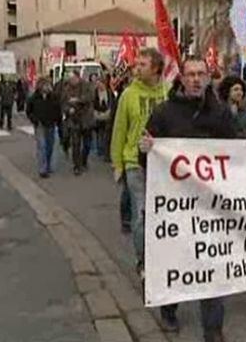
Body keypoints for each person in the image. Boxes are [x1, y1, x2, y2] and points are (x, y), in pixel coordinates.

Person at [139, 56, 237, 342]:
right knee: (177, 263)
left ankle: (214, 331)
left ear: (208, 78)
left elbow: (239, 156)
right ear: (181, 78)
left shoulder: (220, 115)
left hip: (211, 209)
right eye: (190, 74)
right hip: (176, 209)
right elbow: (146, 162)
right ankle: (169, 309)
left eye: (201, 74)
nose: (196, 79)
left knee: (212, 268)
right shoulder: (163, 113)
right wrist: (146, 150)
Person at [110, 49, 167, 251]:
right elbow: (119, 130)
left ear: (155, 69)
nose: (136, 68)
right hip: (135, 163)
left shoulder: (167, 93)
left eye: (142, 65)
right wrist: (117, 164)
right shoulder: (128, 95)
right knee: (141, 214)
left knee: (162, 215)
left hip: (163, 164)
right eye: (137, 64)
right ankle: (142, 261)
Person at [26, 77, 62, 178]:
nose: (47, 87)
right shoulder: (34, 98)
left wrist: (58, 121)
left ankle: (49, 165)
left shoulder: (53, 97)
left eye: (48, 85)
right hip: (40, 125)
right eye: (45, 85)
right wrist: (34, 120)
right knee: (42, 146)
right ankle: (43, 168)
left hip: (51, 124)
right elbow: (29, 111)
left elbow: (58, 110)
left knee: (50, 146)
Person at [62, 70, 95, 175]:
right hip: (74, 120)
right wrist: (68, 110)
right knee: (76, 144)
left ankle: (84, 160)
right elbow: (63, 104)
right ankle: (77, 166)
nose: (71, 81)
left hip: (86, 119)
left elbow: (90, 98)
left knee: (87, 143)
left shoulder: (86, 86)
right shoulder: (67, 89)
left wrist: (78, 100)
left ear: (78, 77)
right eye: (70, 79)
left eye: (73, 79)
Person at [93, 78, 113, 161]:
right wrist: (96, 112)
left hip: (107, 115)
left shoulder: (109, 92)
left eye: (100, 84)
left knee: (107, 134)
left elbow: (111, 102)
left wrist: (109, 111)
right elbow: (93, 103)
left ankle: (106, 152)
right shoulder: (95, 93)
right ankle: (100, 149)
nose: (98, 86)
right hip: (98, 114)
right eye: (97, 84)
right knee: (99, 133)